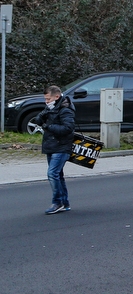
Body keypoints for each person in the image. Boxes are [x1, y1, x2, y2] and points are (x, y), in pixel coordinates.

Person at [39, 86, 76, 214]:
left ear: (57, 97)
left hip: (61, 146)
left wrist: (49, 126)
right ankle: (64, 203)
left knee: (52, 174)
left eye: (48, 99)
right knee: (58, 175)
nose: (46, 102)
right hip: (51, 145)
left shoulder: (65, 110)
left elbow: (68, 128)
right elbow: (38, 120)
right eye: (45, 99)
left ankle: (57, 202)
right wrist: (44, 114)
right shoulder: (50, 107)